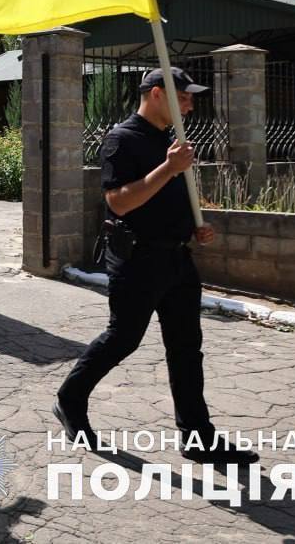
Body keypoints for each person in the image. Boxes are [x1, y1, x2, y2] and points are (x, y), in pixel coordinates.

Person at [53, 67, 259, 466]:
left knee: (186, 348)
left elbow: (170, 198)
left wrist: (195, 226)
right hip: (138, 258)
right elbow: (119, 202)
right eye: (184, 96)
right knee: (123, 338)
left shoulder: (171, 141)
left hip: (177, 257)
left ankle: (199, 439)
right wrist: (168, 167)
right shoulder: (121, 140)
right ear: (157, 94)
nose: (190, 104)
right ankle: (70, 399)